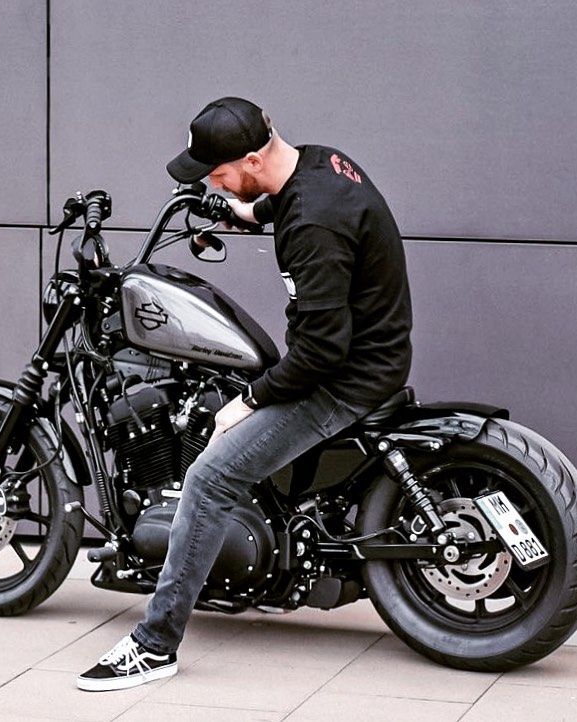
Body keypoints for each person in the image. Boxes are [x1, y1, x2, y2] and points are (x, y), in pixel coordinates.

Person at [76, 97, 413, 691]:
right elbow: (289, 207)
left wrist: (253, 399)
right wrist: (243, 214)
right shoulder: (321, 165)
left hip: (345, 379)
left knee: (210, 478)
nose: (211, 179)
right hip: (370, 356)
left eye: (218, 172)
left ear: (254, 157)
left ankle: (155, 644)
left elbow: (319, 355)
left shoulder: (311, 224)